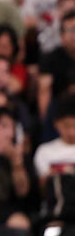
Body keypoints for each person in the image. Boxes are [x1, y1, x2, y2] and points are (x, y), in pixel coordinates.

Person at [35, 95, 75, 223]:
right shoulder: (45, 151)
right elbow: (41, 190)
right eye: (67, 126)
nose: (72, 132)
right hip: (56, 209)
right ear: (56, 124)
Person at [39, 10, 75, 122]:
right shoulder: (51, 58)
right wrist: (45, 120)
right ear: (62, 36)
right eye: (71, 31)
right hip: (60, 110)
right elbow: (44, 89)